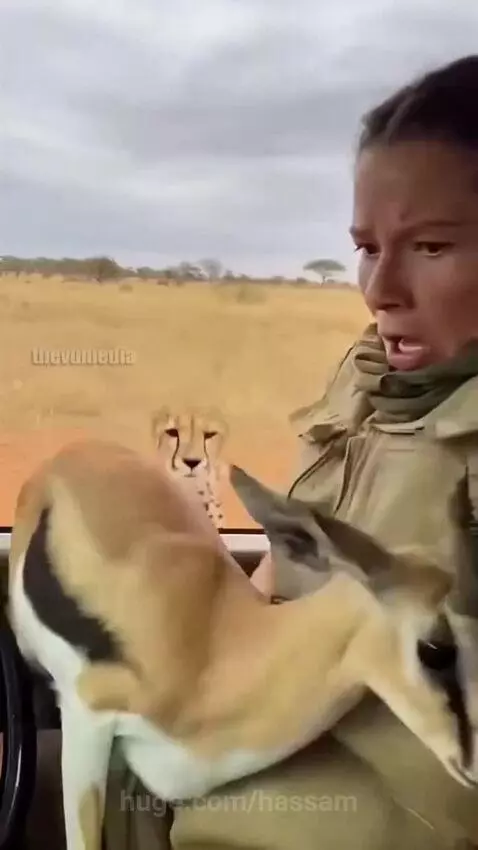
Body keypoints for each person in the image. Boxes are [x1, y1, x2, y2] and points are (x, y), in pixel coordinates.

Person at [103, 54, 478, 849]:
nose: (380, 289)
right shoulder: (370, 380)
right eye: (367, 247)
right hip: (235, 774)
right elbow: (274, 579)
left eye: (432, 247)